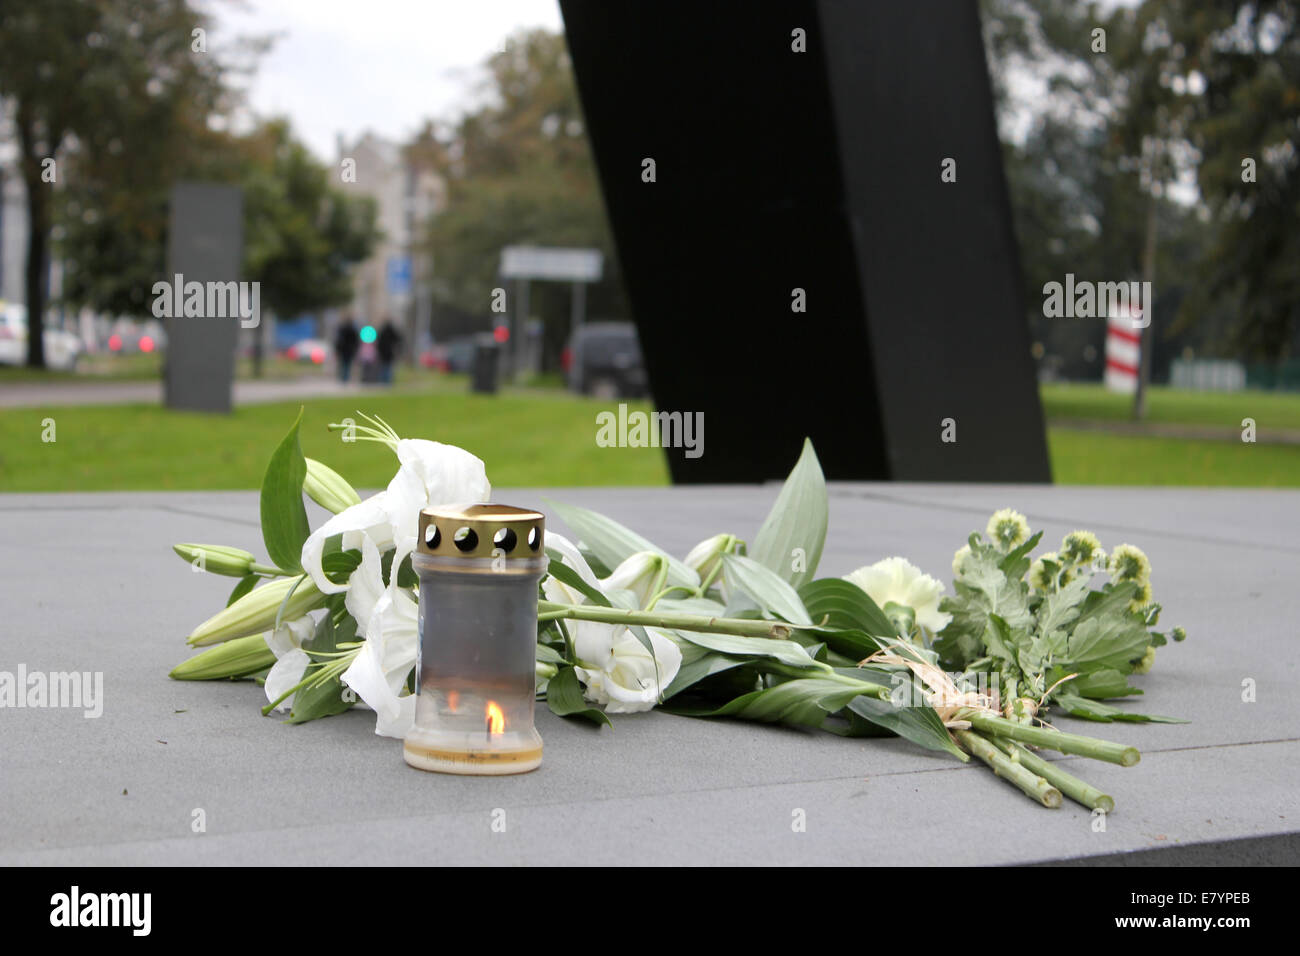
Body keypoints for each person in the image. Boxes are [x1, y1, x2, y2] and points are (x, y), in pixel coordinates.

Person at [334, 316, 360, 383]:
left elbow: (338, 341)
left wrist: (338, 349)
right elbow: (356, 341)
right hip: (349, 350)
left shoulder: (342, 330)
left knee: (343, 364)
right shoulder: (353, 330)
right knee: (347, 364)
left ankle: (344, 378)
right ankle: (346, 377)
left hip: (344, 350)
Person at [376, 318, 402, 385]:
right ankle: (387, 382)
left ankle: (383, 382)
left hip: (384, 353)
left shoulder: (382, 331)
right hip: (389, 353)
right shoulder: (392, 331)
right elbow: (398, 339)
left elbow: (379, 343)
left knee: (384, 368)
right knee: (388, 368)